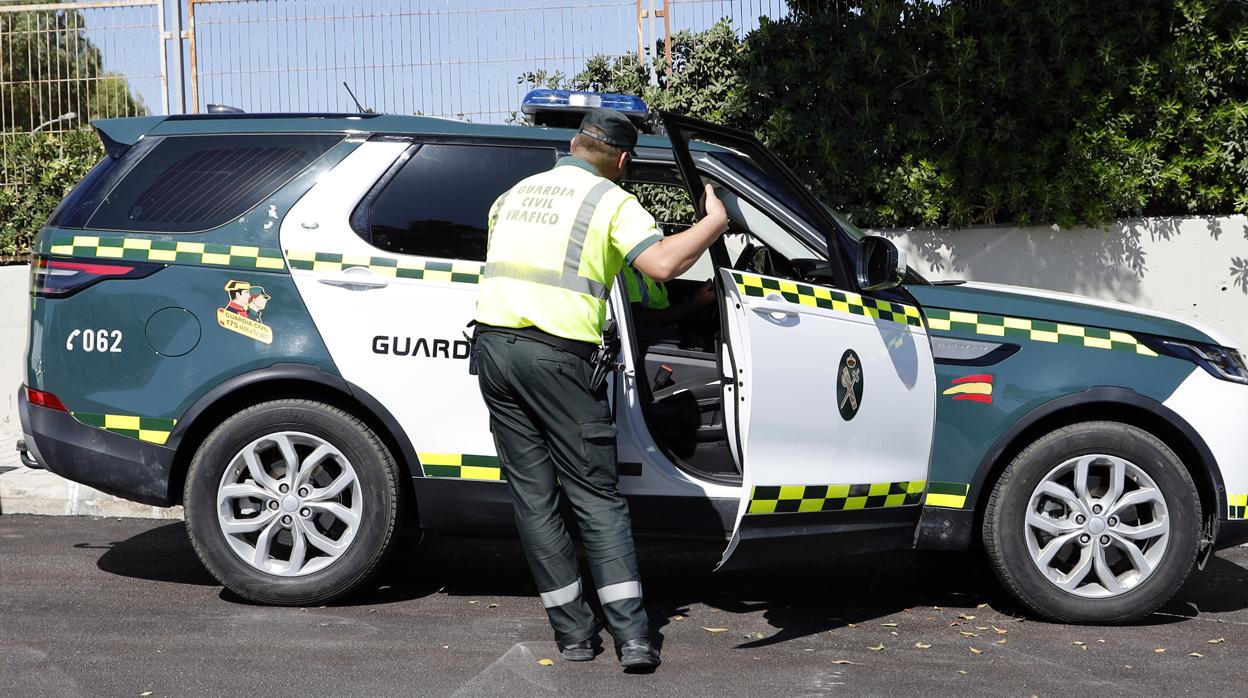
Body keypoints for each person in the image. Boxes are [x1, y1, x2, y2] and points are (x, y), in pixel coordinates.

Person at [473, 107, 728, 672]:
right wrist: (714, 221)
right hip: (558, 360)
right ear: (623, 158)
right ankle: (634, 638)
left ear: (573, 143)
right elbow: (661, 264)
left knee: (535, 501)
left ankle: (574, 638)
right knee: (596, 497)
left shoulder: (513, 196)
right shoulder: (610, 201)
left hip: (493, 352)